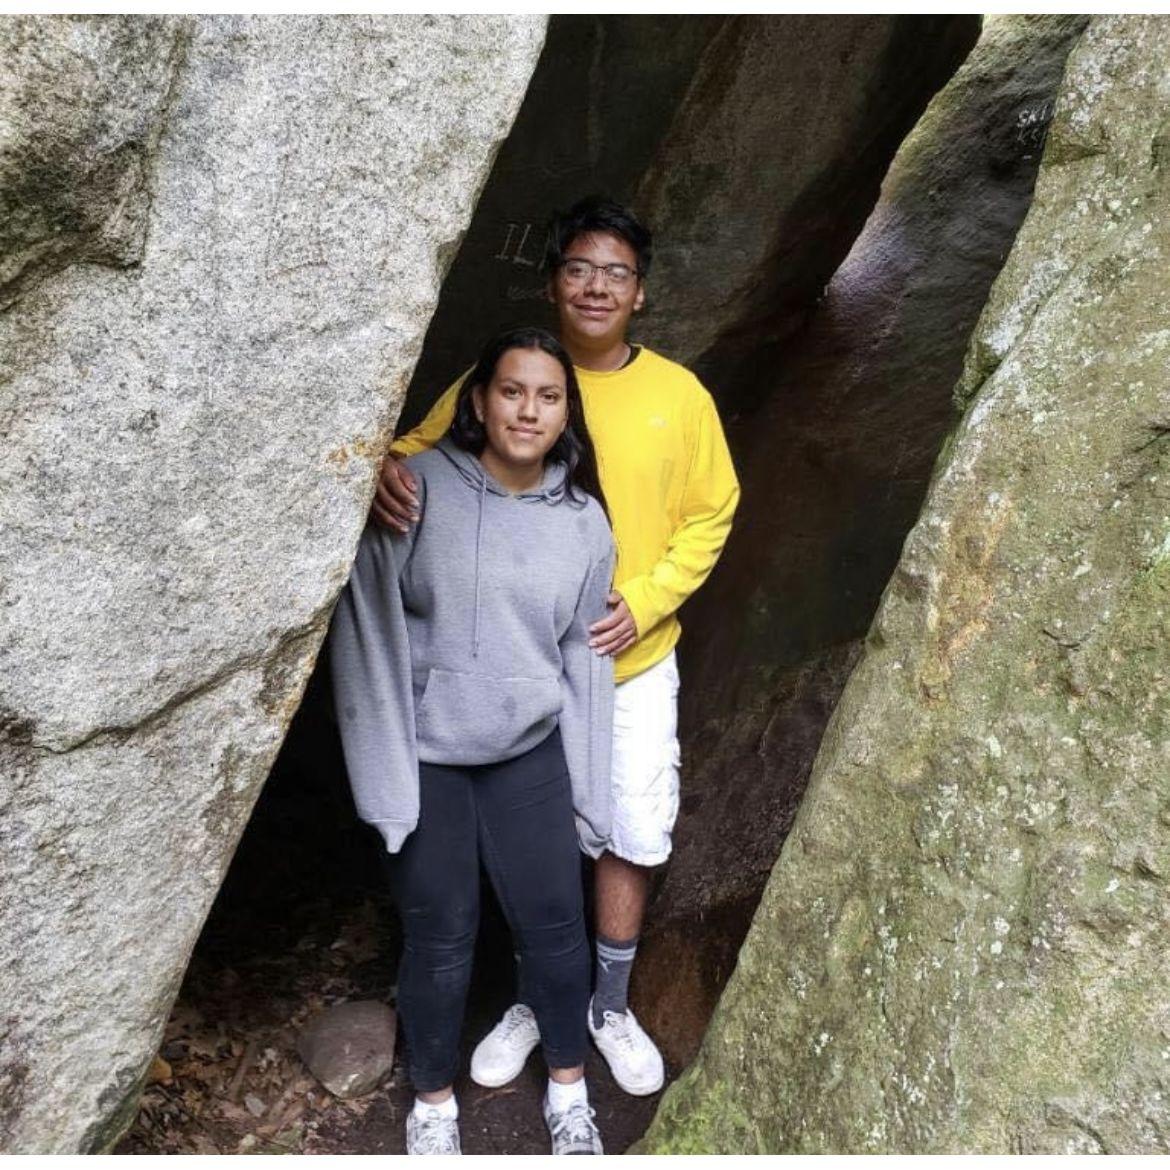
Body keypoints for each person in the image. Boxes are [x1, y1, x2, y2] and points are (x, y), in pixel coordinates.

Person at [373, 196, 740, 1097]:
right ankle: (540, 999)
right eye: (579, 268)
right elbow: (419, 452)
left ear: (640, 293)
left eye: (616, 272)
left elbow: (713, 511)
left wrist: (646, 601)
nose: (596, 286)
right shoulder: (511, 377)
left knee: (630, 828)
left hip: (631, 657)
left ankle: (604, 1006)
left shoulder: (678, 396)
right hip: (522, 666)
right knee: (533, 838)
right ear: (553, 282)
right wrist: (381, 468)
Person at [330, 327, 615, 1155]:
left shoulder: (584, 522)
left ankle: (570, 1095)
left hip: (527, 753)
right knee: (441, 938)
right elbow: (366, 628)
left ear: (566, 413)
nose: (528, 410)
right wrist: (385, 780)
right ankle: (433, 1107)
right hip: (429, 758)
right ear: (480, 401)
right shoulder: (414, 489)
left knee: (556, 928)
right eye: (512, 391)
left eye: (548, 396)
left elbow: (584, 658)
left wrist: (590, 788)